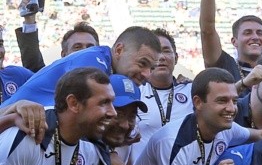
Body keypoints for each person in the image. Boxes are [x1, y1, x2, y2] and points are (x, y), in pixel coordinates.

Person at [137, 68, 262, 165]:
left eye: (235, 101)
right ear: (198, 102)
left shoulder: (227, 128)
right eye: (222, 101)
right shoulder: (172, 141)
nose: (232, 108)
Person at [0, 26, 160, 109]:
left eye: (152, 68)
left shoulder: (104, 64)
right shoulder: (94, 62)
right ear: (119, 50)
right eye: (142, 63)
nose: (146, 74)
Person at [199, 0, 262, 83]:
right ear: (234, 41)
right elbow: (207, 29)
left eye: (260, 33)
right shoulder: (224, 65)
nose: (255, 37)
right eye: (247, 33)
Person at [131, 29, 194, 164]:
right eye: (156, 52)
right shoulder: (134, 92)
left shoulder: (192, 91)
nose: (161, 57)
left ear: (176, 58)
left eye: (166, 51)